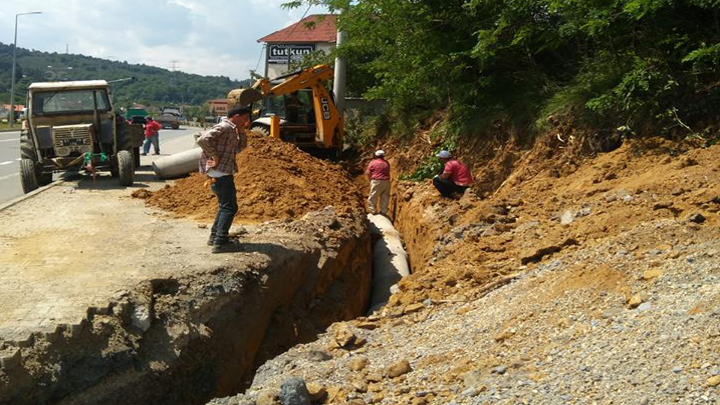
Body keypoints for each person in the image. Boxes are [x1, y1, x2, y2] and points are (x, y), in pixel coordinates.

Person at [196, 107, 250, 253]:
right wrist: (214, 156)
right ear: (237, 116)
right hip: (220, 173)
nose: (247, 121)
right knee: (230, 207)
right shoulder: (224, 126)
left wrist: (242, 131)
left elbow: (240, 148)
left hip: (221, 172)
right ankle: (220, 242)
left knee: (224, 206)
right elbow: (202, 139)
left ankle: (215, 237)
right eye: (245, 118)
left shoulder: (233, 129)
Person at [366, 149, 391, 215]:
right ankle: (383, 211)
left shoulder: (373, 162)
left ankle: (373, 211)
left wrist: (370, 180)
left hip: (376, 181)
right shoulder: (386, 163)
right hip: (386, 182)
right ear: (383, 156)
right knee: (385, 197)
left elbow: (368, 173)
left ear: (376, 156)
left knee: (373, 196)